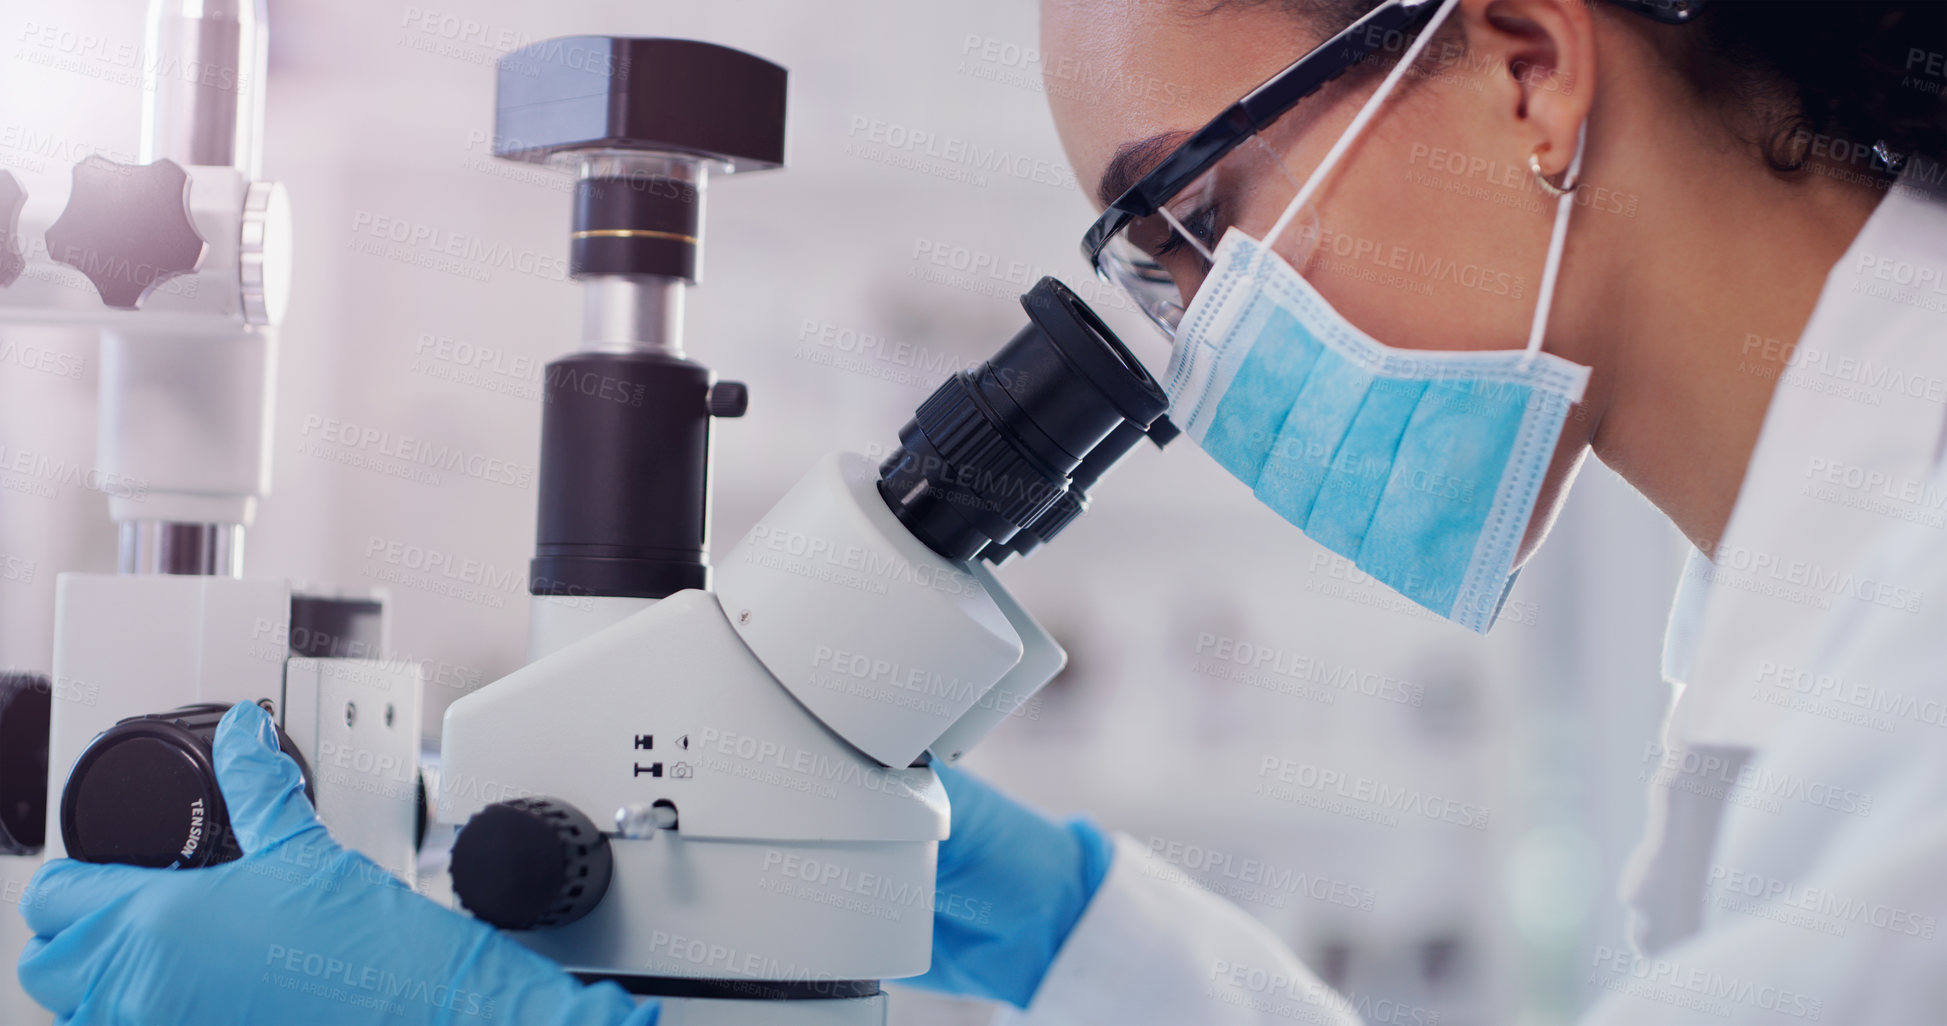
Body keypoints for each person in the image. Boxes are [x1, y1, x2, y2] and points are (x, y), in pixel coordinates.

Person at [16, 0, 1947, 1023]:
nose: (1181, 350)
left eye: (1189, 226)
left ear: (1524, 61)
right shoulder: (1811, 591)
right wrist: (1095, 945)